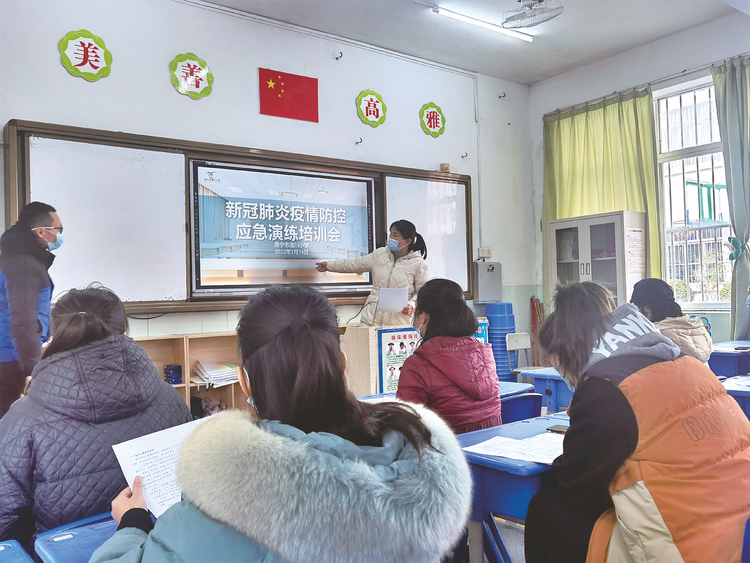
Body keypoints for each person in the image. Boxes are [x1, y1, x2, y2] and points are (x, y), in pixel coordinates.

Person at [91, 285, 472, 563]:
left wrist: (133, 524)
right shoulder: (419, 453)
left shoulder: (231, 496)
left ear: (244, 382)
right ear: (342, 364)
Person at [524, 281, 750, 563]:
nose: (566, 377)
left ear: (571, 352)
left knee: (545, 511)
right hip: (741, 528)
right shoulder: (687, 362)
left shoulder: (606, 389)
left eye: (559, 367)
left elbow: (577, 488)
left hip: (693, 546)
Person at [0, 286, 193, 548]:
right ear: (124, 330)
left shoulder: (21, 421)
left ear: (56, 335)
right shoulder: (171, 399)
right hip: (162, 549)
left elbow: (4, 523)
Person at [396, 278, 501, 434]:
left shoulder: (418, 364)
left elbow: (406, 425)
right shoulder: (484, 353)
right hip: (490, 450)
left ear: (423, 317)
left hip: (448, 453)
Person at [0, 202, 62, 418]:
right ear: (41, 231)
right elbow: (24, 321)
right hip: (10, 360)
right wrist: (33, 370)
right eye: (58, 230)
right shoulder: (23, 264)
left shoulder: (14, 258)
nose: (60, 236)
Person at [315, 220, 429, 327]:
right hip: (370, 320)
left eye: (395, 235)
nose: (390, 238)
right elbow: (355, 264)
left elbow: (423, 294)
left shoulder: (419, 265)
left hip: (397, 323)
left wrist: (412, 305)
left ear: (407, 241)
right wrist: (329, 265)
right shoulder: (380, 254)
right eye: (390, 234)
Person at [630, 277, 712, 363]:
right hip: (705, 376)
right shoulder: (699, 329)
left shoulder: (657, 335)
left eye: (636, 307)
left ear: (647, 308)